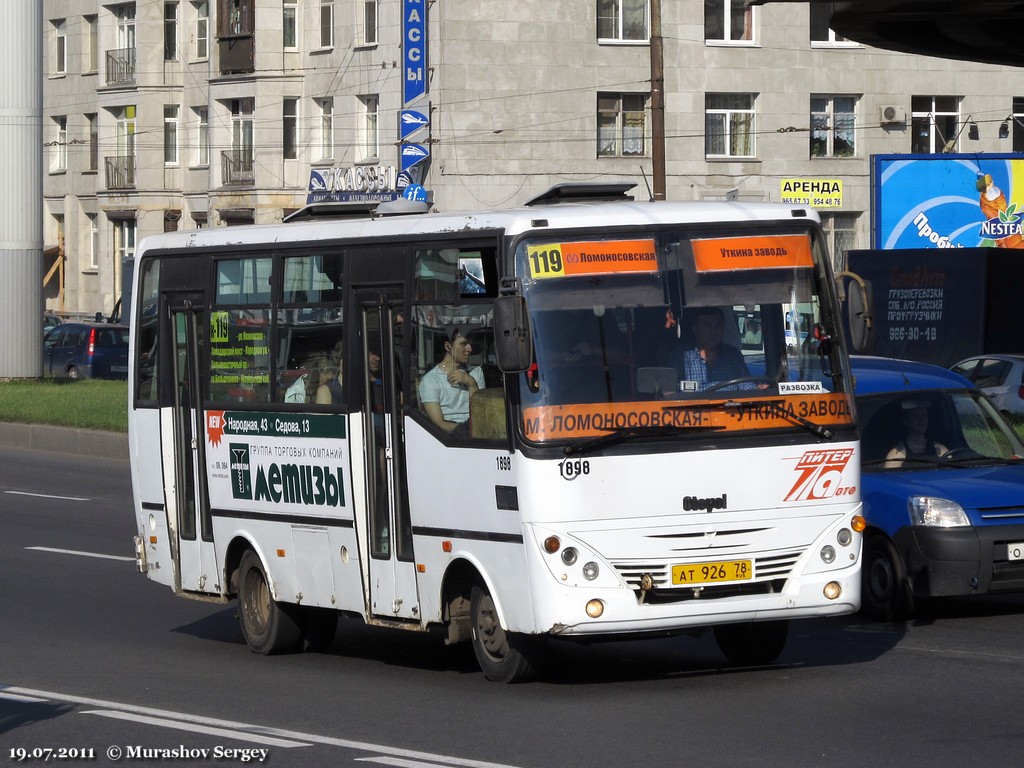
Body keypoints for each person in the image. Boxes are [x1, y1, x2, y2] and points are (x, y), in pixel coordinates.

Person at [666, 306, 753, 390]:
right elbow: (669, 392)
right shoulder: (681, 356)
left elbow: (747, 388)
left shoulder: (733, 356)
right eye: (707, 325)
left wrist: (760, 389)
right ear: (695, 329)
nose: (713, 331)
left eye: (718, 325)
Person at [418, 328, 485, 434]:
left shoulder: (475, 373)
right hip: (451, 437)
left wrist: (471, 383)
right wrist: (468, 432)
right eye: (464, 344)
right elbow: (438, 423)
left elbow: (482, 412)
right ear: (448, 346)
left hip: (477, 429)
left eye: (470, 344)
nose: (470, 349)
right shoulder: (431, 380)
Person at [885, 401, 948, 467]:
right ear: (906, 421)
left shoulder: (940, 450)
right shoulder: (897, 454)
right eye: (916, 416)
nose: (921, 420)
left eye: (924, 415)